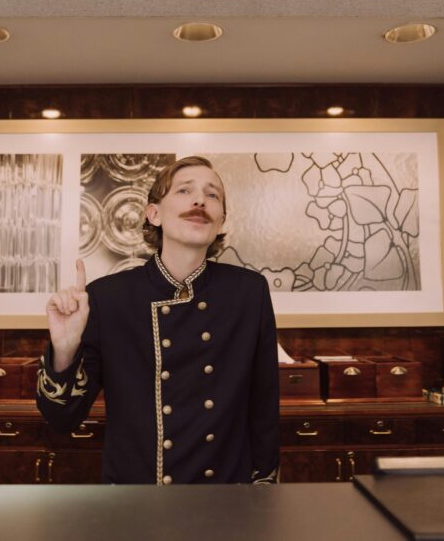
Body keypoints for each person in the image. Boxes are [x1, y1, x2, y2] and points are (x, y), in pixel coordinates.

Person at [36, 156, 280, 485]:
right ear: (154, 214)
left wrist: (262, 493)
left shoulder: (248, 292)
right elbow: (61, 417)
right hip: (137, 502)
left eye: (213, 195)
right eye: (184, 190)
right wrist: (65, 349)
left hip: (225, 499)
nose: (199, 201)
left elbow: (264, 407)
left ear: (221, 221)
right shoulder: (107, 298)